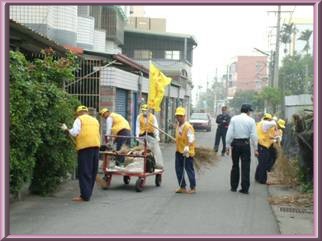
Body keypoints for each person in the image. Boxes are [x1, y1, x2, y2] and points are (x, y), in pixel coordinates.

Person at [61, 105, 100, 202]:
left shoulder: (79, 119)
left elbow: (74, 132)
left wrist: (66, 129)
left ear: (78, 113)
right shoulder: (95, 120)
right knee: (92, 171)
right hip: (96, 147)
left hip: (85, 148)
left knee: (84, 172)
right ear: (87, 112)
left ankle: (84, 196)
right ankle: (88, 193)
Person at [225, 104, 258, 194]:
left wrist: (227, 146)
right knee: (245, 166)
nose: (250, 113)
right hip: (245, 144)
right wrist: (256, 149)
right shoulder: (251, 120)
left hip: (235, 144)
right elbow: (253, 136)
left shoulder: (234, 119)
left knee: (235, 165)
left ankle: (234, 187)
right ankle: (245, 188)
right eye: (250, 111)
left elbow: (229, 133)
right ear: (247, 111)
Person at [174, 107, 196, 194]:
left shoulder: (188, 126)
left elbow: (191, 138)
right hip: (179, 151)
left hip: (187, 152)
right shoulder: (178, 126)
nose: (179, 117)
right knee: (178, 169)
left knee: (189, 169)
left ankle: (193, 187)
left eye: (180, 116)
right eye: (177, 116)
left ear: (184, 116)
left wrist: (187, 146)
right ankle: (182, 187)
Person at [135, 104, 164, 169]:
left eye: (145, 110)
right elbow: (137, 126)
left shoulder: (152, 117)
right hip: (142, 135)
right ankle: (141, 165)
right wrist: (137, 135)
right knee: (142, 150)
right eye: (143, 111)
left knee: (154, 150)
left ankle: (157, 164)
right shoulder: (139, 117)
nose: (144, 112)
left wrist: (157, 136)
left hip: (150, 135)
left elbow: (156, 127)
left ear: (148, 111)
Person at [254, 113, 278, 184]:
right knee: (263, 163)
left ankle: (257, 177)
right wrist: (273, 120)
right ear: (268, 119)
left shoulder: (260, 123)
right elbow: (273, 123)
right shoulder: (265, 123)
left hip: (260, 145)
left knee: (261, 162)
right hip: (262, 145)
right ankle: (262, 180)